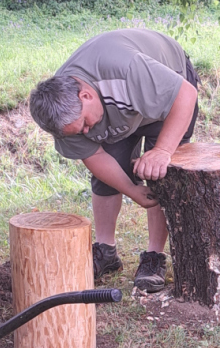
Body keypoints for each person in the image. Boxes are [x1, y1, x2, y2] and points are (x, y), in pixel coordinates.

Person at [28, 28, 200, 293]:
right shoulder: (61, 116)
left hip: (172, 88)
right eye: (79, 131)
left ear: (85, 96)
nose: (87, 132)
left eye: (85, 123)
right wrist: (132, 190)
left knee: (161, 174)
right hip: (119, 108)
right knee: (107, 176)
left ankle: (154, 257)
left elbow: (185, 95)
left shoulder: (125, 70)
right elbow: (95, 156)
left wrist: (163, 151)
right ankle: (106, 252)